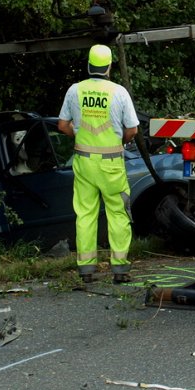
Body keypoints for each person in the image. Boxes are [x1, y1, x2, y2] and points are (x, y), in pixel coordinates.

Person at [58, 44, 139, 284]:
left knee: (85, 214)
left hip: (83, 162)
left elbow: (62, 125)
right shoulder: (119, 92)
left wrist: (81, 137)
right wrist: (119, 142)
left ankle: (86, 269)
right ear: (109, 67)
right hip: (111, 164)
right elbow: (132, 130)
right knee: (117, 214)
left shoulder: (75, 90)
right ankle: (120, 269)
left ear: (89, 66)